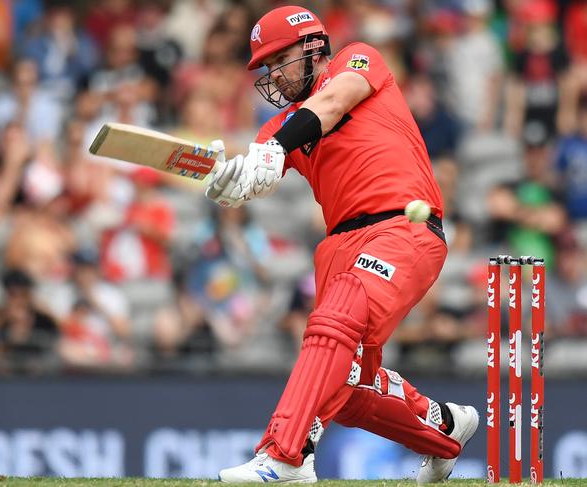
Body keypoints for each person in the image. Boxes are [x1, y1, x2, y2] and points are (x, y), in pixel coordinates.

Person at [204, 6, 478, 484]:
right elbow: (256, 173)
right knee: (348, 388)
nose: (274, 75)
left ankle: (285, 456)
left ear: (312, 47)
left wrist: (274, 148)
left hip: (402, 228)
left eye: (279, 59)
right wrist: (233, 180)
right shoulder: (279, 129)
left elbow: (329, 106)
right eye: (266, 67)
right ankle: (445, 429)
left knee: (338, 315)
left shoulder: (358, 60)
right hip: (339, 245)